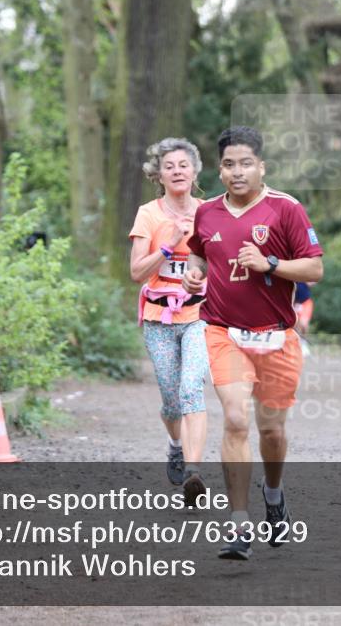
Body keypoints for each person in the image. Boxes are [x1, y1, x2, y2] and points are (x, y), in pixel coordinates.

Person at [183, 126, 324, 560]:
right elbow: (199, 253)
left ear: (261, 167)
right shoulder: (206, 212)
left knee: (271, 431)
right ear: (220, 169)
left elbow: (314, 271)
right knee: (235, 420)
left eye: (246, 163)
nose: (237, 171)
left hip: (277, 336)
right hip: (223, 331)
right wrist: (194, 273)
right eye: (229, 164)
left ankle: (274, 493)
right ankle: (238, 523)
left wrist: (272, 263)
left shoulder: (286, 210)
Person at [129, 138, 209, 507]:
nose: (177, 171)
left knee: (192, 386)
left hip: (199, 315)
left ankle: (194, 472)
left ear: (194, 172)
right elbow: (135, 272)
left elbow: (222, 266)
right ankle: (176, 446)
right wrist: (168, 245)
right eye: (169, 166)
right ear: (158, 175)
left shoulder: (211, 212)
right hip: (159, 318)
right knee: (171, 400)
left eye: (183, 165)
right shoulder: (149, 214)